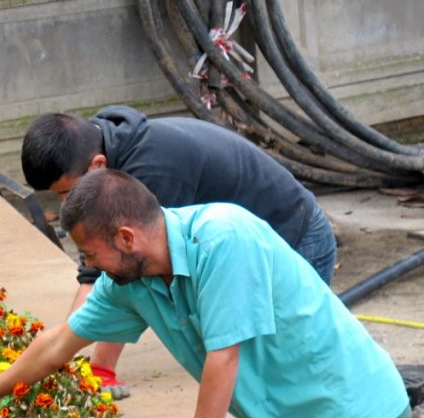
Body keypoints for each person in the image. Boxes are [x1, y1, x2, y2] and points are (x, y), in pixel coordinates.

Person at [0, 169, 423, 418]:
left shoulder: (223, 239)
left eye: (91, 254)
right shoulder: (130, 281)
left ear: (126, 237)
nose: (90, 266)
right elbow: (59, 343)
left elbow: (225, 354)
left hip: (355, 416)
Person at [20, 106, 337, 400]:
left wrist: (100, 368)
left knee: (290, 375)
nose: (64, 204)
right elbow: (94, 275)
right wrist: (69, 354)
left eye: (65, 193)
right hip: (247, 243)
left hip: (296, 237)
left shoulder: (152, 174)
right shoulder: (102, 147)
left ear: (98, 166)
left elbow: (128, 280)